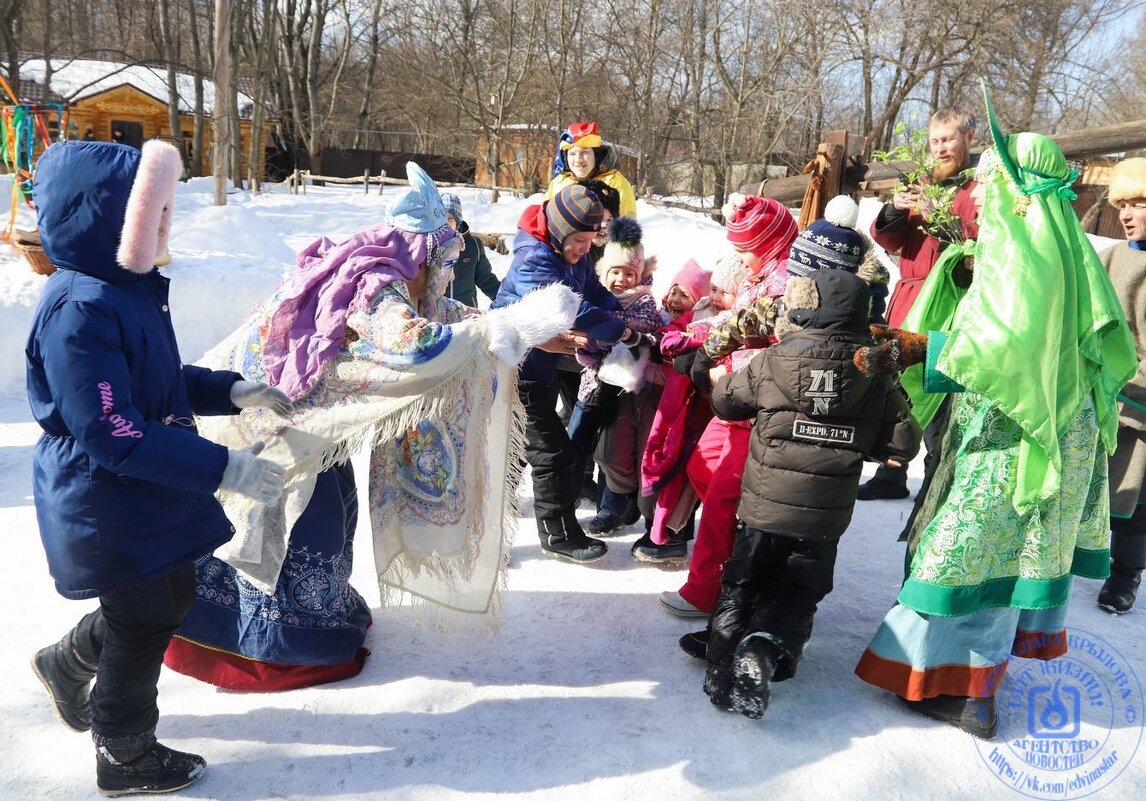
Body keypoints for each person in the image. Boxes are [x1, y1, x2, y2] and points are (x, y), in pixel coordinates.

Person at [166, 163, 580, 690]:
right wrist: (506, 328)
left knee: (333, 510)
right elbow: (413, 344)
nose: (448, 272)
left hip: (312, 428)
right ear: (423, 253)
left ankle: (319, 618)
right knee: (297, 519)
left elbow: (445, 315)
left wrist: (524, 331)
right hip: (278, 419)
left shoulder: (391, 276)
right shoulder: (376, 287)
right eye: (445, 259)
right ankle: (275, 647)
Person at [852, 107, 1136, 738]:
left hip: (1017, 438)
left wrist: (920, 348)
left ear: (1015, 188)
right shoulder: (1066, 245)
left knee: (962, 554)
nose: (983, 193)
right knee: (1007, 561)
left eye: (992, 182)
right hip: (1057, 436)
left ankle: (946, 686)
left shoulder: (1026, 253)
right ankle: (979, 687)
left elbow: (1007, 352)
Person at [26, 139, 290, 796]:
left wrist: (227, 389)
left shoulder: (126, 291)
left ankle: (68, 663)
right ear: (111, 221)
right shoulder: (79, 310)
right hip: (104, 496)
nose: (166, 223)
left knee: (169, 595)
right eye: (154, 211)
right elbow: (112, 430)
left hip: (145, 489)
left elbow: (156, 381)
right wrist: (225, 467)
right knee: (143, 613)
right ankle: (123, 748)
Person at [703, 268, 921, 719]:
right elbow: (904, 443)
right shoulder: (873, 369)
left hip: (763, 507)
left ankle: (720, 662)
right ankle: (766, 646)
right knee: (797, 591)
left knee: (742, 582)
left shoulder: (773, 360)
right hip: (824, 519)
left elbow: (726, 401)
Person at [657, 195, 799, 618]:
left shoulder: (786, 279)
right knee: (701, 466)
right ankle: (739, 553)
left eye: (745, 252)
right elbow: (735, 319)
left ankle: (707, 590)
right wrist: (692, 334)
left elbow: (765, 340)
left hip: (756, 402)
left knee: (721, 497)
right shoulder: (764, 273)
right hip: (735, 398)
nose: (743, 260)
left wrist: (717, 365)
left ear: (768, 242)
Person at [492, 184, 637, 563]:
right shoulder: (535, 260)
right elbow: (569, 309)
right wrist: (619, 330)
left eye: (590, 243)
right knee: (552, 451)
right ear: (558, 231)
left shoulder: (571, 252)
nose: (583, 250)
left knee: (518, 448)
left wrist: (617, 310)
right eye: (578, 241)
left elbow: (590, 289)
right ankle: (557, 536)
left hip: (539, 366)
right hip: (514, 366)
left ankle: (489, 523)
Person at [858, 106, 980, 501]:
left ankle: (935, 475)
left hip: (949, 301)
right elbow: (890, 240)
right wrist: (896, 208)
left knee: (938, 385)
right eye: (935, 141)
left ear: (969, 138)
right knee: (898, 385)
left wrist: (941, 222)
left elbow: (978, 247)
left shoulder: (976, 188)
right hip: (909, 296)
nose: (941, 148)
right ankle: (892, 471)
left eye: (949, 139)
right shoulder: (921, 182)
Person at [576, 218, 664, 535]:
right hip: (592, 387)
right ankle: (583, 499)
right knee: (588, 446)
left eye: (630, 274)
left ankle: (611, 508)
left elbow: (646, 323)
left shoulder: (643, 300)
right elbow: (584, 335)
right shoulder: (593, 296)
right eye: (616, 272)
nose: (622, 279)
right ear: (604, 271)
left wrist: (608, 323)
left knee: (613, 449)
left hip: (626, 393)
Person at [1095, 157, 1146, 613]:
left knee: (1133, 498)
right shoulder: (1109, 257)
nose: (1127, 213)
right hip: (1102, 395)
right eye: (1122, 204)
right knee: (1092, 486)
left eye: (1140, 203)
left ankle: (1125, 573)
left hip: (1141, 405)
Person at [547, 121, 637, 217]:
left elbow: (626, 226)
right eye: (572, 154)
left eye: (584, 152)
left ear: (596, 155)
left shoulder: (615, 183)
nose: (578, 159)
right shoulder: (558, 183)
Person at [441, 192, 501, 308]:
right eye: (441, 217)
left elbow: (486, 279)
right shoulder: (430, 245)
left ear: (458, 221)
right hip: (436, 313)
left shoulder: (473, 245)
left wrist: (505, 297)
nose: (445, 223)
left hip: (466, 312)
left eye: (450, 218)